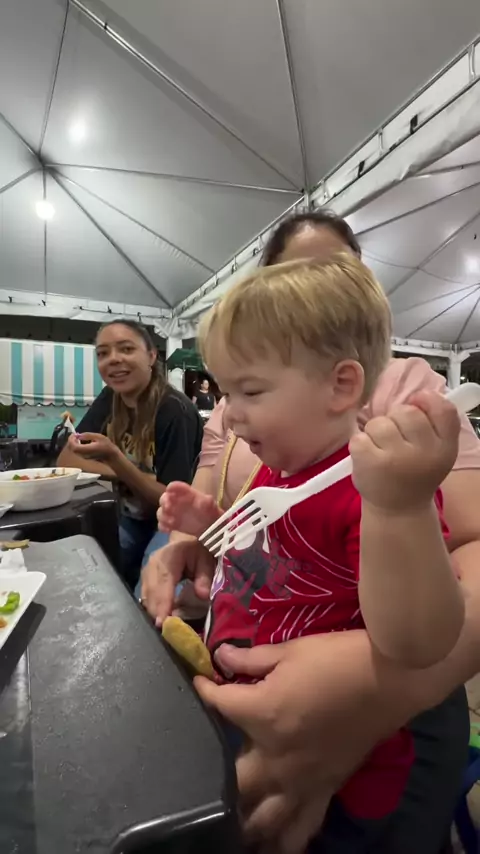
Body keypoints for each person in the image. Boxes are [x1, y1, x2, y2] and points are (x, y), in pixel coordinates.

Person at [141, 210, 480, 853]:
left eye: (249, 392)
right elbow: (275, 549)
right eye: (226, 394)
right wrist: (205, 528)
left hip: (357, 760)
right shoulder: (280, 464)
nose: (230, 416)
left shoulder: (377, 484)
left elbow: (419, 639)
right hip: (255, 708)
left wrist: (402, 507)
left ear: (340, 383)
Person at [58, 320, 203, 591]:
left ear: (151, 356)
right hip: (132, 517)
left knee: (149, 596)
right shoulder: (110, 399)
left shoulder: (174, 411)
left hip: (175, 523)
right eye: (103, 353)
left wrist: (114, 458)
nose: (113, 359)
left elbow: (171, 499)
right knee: (89, 575)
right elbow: (67, 459)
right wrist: (122, 470)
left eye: (126, 349)